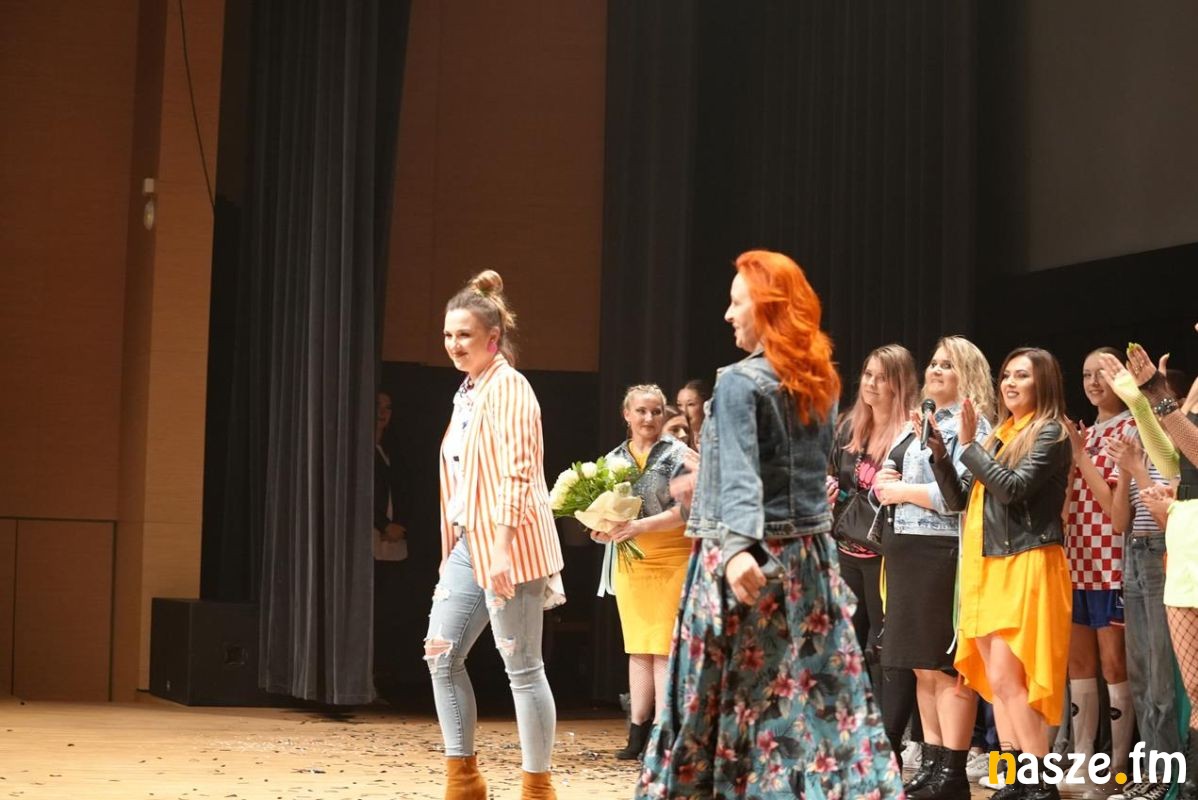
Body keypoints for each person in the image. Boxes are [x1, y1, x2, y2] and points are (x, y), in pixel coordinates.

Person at [637, 250, 903, 799]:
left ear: (767, 308)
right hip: (807, 560)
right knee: (813, 704)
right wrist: (705, 481)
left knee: (728, 700)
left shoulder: (740, 381)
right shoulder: (820, 380)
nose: (728, 315)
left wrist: (737, 547)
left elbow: (743, 474)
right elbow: (777, 470)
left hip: (746, 556)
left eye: (737, 303)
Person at [425, 270, 564, 800]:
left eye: (464, 334)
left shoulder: (510, 387)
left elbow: (518, 472)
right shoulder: (466, 393)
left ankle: (537, 788)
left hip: (512, 545)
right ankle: (463, 781)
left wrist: (502, 549)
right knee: (441, 654)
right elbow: (460, 481)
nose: (454, 344)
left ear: (492, 337)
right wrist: (451, 552)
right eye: (447, 334)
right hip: (469, 543)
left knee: (522, 667)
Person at [928, 347, 1074, 800]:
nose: (1009, 383)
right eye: (1007, 375)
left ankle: (1041, 784)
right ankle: (1017, 778)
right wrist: (941, 455)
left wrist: (970, 446)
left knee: (1013, 680)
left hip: (1026, 562)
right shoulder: (1001, 434)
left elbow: (1011, 489)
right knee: (1000, 683)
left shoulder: (1050, 432)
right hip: (990, 566)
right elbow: (959, 500)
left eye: (1022, 376)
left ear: (1043, 383)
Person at [873, 336, 995, 800]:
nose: (936, 370)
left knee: (945, 669)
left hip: (941, 552)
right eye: (935, 363)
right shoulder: (917, 422)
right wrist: (883, 484)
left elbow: (956, 496)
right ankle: (932, 763)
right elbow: (890, 482)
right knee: (920, 667)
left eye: (949, 365)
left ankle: (953, 772)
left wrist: (901, 491)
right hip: (904, 550)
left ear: (968, 374)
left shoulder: (973, 425)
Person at [1098, 344, 1198, 800]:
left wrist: (1153, 396)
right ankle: (1183, 783)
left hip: (1177, 538)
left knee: (1168, 682)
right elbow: (1174, 462)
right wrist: (1140, 403)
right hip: (1183, 540)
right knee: (1189, 685)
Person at [828, 344, 921, 764]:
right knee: (846, 647)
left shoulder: (909, 435)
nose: (872, 384)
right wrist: (829, 491)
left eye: (882, 377)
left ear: (900, 383)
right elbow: (835, 479)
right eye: (868, 374)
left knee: (887, 651)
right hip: (847, 550)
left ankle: (888, 745)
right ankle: (851, 738)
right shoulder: (850, 427)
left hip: (888, 556)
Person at [592, 385, 693, 760]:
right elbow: (603, 512)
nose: (648, 418)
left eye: (655, 411)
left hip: (673, 556)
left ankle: (664, 736)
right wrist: (600, 529)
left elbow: (686, 511)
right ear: (627, 414)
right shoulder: (613, 459)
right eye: (641, 411)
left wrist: (638, 526)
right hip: (632, 559)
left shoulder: (679, 454)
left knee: (663, 648)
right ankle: (637, 733)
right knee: (638, 647)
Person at [1061, 348, 1133, 774]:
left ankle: (1119, 764)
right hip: (1074, 560)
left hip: (1111, 562)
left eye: (1101, 374)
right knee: (1079, 664)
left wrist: (1080, 457)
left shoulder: (1130, 428)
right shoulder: (1083, 434)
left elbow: (1114, 509)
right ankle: (1083, 759)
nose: (1092, 383)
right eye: (1087, 374)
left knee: (1113, 663)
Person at [374, 389, 409, 562]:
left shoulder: (392, 451)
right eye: (377, 406)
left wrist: (399, 526)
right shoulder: (359, 451)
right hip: (370, 534)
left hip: (393, 539)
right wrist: (384, 525)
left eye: (387, 408)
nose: (382, 412)